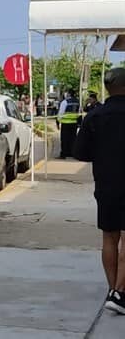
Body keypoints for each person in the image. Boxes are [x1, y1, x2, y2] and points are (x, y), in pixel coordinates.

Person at [73, 68, 125, 314]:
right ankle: (120, 293)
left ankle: (112, 290)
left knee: (109, 237)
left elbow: (80, 153)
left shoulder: (95, 116)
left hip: (107, 183)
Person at [57, 89, 80, 159]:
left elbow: (61, 113)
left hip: (66, 123)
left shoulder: (65, 102)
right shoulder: (78, 102)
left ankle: (64, 154)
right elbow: (79, 112)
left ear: (69, 94)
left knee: (64, 139)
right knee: (73, 139)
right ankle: (71, 153)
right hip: (74, 123)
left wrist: (58, 121)